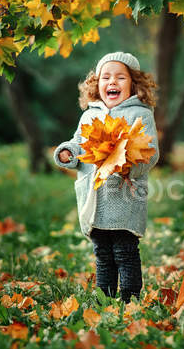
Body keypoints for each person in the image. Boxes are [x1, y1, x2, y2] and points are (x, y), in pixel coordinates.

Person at [53, 52, 159, 303]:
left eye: (120, 77)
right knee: (102, 253)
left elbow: (150, 152)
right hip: (95, 199)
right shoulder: (89, 116)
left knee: (124, 251)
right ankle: (105, 299)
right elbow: (78, 144)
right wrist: (69, 153)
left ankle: (130, 298)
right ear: (96, 84)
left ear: (134, 83)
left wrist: (128, 167)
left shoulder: (140, 114)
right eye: (106, 77)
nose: (112, 82)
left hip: (125, 198)